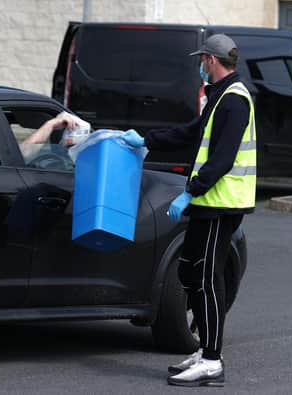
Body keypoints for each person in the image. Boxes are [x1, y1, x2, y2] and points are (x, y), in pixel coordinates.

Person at [121, 34, 256, 387]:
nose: (200, 65)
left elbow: (222, 159)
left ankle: (212, 359)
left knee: (207, 280)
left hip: (219, 204)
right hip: (208, 202)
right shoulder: (221, 97)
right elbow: (193, 133)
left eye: (202, 60)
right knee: (194, 275)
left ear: (211, 61)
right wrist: (148, 140)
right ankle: (206, 351)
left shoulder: (234, 101)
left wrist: (189, 192)